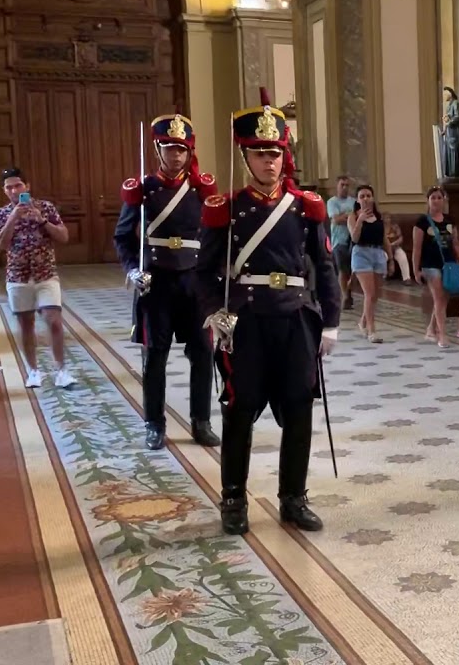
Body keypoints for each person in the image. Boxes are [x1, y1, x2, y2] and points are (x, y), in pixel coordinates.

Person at [196, 89, 340, 535]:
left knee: (298, 409)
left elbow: (325, 266)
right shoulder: (226, 209)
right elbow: (204, 271)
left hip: (296, 319)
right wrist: (212, 312)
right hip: (247, 322)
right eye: (260, 154)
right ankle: (233, 498)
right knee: (240, 411)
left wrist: (331, 323)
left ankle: (293, 497)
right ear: (246, 157)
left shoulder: (305, 207)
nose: (269, 162)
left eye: (275, 153)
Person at [114, 113, 221, 451]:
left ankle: (201, 421)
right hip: (156, 282)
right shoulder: (143, 190)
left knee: (203, 352)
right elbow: (123, 237)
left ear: (189, 152)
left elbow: (215, 237)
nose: (176, 155)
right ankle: (154, 423)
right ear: (157, 150)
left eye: (181, 149)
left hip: (193, 282)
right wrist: (132, 269)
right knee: (155, 356)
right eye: (169, 148)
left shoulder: (201, 189)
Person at [0, 167, 76, 389]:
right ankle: (33, 371)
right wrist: (13, 217)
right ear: (4, 190)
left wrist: (42, 221)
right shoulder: (0, 214)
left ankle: (61, 370)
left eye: (18, 185)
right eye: (9, 187)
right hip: (17, 277)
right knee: (25, 324)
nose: (14, 190)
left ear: (27, 186)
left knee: (53, 320)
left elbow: (64, 236)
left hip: (45, 274)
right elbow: (1, 244)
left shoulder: (46, 207)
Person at [413, 186, 459, 348]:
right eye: (433, 197)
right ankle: (442, 335)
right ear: (428, 201)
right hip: (430, 264)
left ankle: (430, 329)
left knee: (443, 298)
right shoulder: (422, 222)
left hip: (449, 264)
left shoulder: (450, 220)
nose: (436, 201)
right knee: (439, 298)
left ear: (444, 200)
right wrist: (416, 270)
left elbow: (456, 244)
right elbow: (417, 248)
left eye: (439, 197)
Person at [348, 183, 386, 343]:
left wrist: (390, 259)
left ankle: (363, 321)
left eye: (368, 196)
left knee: (375, 295)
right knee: (369, 294)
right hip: (361, 254)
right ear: (357, 200)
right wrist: (360, 220)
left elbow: (384, 238)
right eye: (362, 196)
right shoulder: (353, 216)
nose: (365, 198)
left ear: (373, 198)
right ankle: (371, 330)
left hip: (378, 254)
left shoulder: (379, 216)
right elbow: (354, 238)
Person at [327, 176, 357, 310]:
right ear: (337, 186)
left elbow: (357, 218)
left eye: (347, 185)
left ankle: (348, 290)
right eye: (342, 185)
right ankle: (345, 295)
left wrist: (346, 217)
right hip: (338, 241)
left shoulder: (354, 202)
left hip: (353, 240)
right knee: (342, 270)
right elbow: (336, 220)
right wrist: (349, 217)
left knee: (353, 270)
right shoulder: (332, 202)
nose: (345, 188)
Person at [384, 214, 413, 284]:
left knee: (403, 256)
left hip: (395, 247)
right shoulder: (380, 227)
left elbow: (401, 238)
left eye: (389, 218)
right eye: (386, 218)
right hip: (384, 249)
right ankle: (383, 277)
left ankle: (407, 278)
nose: (387, 220)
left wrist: (394, 243)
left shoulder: (395, 227)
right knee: (383, 257)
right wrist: (388, 246)